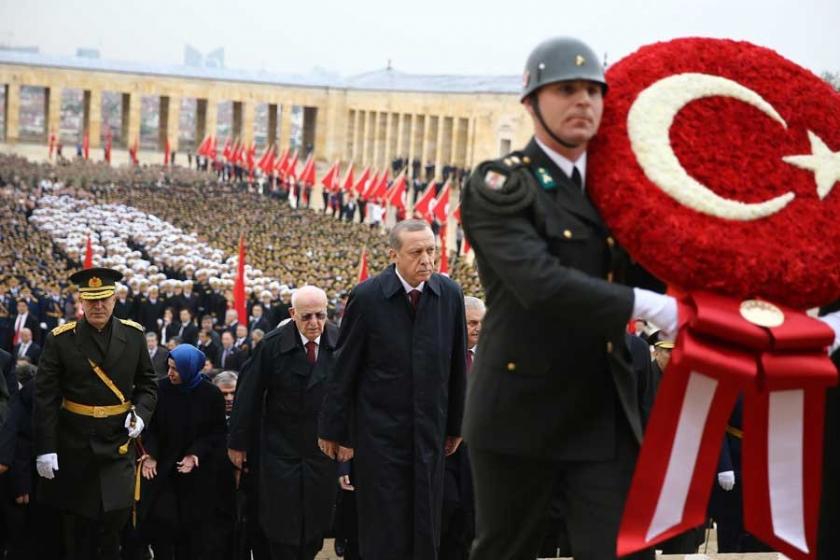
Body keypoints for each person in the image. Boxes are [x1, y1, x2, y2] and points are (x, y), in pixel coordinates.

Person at [460, 37, 679, 560]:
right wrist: (647, 307)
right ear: (531, 103)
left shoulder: (614, 191)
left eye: (592, 91)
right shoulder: (500, 185)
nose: (582, 101)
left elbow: (656, 265)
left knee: (623, 550)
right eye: (565, 89)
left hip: (600, 410)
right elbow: (539, 282)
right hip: (520, 408)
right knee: (506, 549)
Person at [319, 219, 467, 559]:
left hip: (429, 433)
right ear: (393, 255)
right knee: (385, 525)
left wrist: (456, 424)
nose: (427, 261)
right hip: (380, 436)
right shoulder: (368, 297)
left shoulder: (450, 296)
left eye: (432, 250)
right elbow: (344, 368)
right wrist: (332, 428)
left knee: (426, 521)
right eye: (416, 253)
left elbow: (457, 367)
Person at [33, 267, 157, 560]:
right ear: (81, 301)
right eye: (91, 300)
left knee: (116, 517)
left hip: (118, 443)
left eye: (103, 299)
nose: (98, 306)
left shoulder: (134, 335)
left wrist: (140, 414)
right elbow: (46, 397)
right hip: (76, 444)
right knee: (79, 525)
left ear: (114, 299)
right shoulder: (60, 339)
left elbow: (148, 385)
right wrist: (46, 448)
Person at [229, 285, 339, 560]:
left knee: (315, 523)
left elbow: (353, 394)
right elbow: (248, 397)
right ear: (292, 314)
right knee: (282, 526)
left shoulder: (340, 340)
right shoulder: (272, 344)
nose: (314, 323)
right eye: (307, 317)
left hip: (321, 449)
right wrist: (238, 445)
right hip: (280, 449)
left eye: (320, 315)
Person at [138, 343, 228, 559]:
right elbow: (152, 429)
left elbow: (216, 433)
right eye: (168, 367)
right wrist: (150, 454)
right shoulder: (161, 389)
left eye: (176, 369)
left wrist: (195, 454)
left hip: (197, 472)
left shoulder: (211, 394)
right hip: (164, 468)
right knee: (163, 522)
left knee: (194, 530)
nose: (170, 373)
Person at [440, 296, 484, 560]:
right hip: (446, 450)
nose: (478, 328)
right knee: (448, 509)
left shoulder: (494, 355)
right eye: (472, 323)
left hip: (479, 453)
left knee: (473, 517)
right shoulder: (441, 353)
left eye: (482, 323)